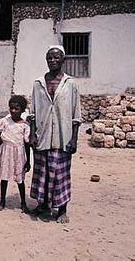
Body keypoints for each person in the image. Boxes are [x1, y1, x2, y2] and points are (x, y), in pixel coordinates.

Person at [29, 45, 81, 224]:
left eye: (56, 57)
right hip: (42, 135)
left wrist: (74, 139)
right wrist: (32, 135)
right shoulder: (38, 83)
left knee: (61, 174)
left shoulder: (71, 84)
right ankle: (42, 205)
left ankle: (61, 209)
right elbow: (33, 112)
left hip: (63, 136)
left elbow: (76, 115)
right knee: (42, 173)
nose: (52, 60)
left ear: (63, 60)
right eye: (49, 58)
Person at [0, 95, 31, 212]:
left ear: (23, 110)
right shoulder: (5, 121)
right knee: (4, 178)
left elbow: (27, 145)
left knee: (20, 179)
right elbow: (0, 138)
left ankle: (23, 203)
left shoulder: (24, 125)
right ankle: (2, 201)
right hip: (5, 152)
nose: (13, 111)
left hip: (18, 154)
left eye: (16, 109)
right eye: (11, 108)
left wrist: (28, 161)